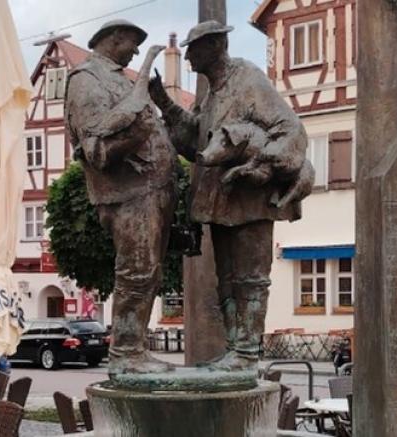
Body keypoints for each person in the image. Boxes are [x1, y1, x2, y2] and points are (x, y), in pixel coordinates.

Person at [150, 21, 311, 371]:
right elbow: (199, 143)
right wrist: (164, 102)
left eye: (194, 49)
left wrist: (260, 164)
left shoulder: (247, 79)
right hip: (221, 204)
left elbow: (290, 130)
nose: (188, 57)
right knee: (226, 281)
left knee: (251, 280)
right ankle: (234, 349)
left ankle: (247, 353)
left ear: (216, 46)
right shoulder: (212, 92)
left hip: (251, 201)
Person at [64, 20, 177, 375]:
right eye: (133, 43)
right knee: (136, 272)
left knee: (149, 273)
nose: (136, 52)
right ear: (114, 38)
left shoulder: (117, 78)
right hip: (127, 193)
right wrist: (138, 135)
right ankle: (126, 353)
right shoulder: (87, 78)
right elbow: (95, 146)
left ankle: (135, 349)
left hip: (150, 190)